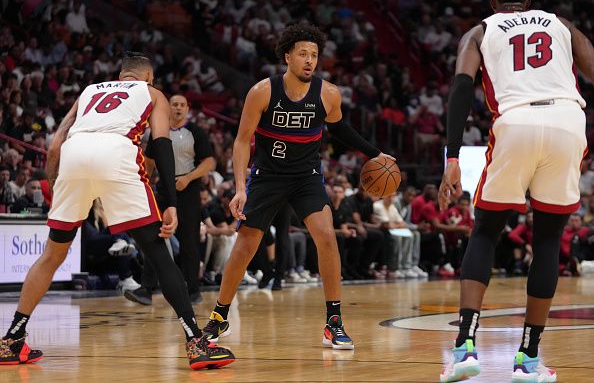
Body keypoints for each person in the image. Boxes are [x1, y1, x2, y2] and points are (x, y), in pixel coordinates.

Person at [0, 52, 234, 370]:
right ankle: (196, 342)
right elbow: (162, 145)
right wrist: (171, 204)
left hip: (73, 154)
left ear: (120, 76)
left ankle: (12, 338)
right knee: (157, 251)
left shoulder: (89, 92)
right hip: (116, 152)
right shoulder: (152, 94)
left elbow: (55, 143)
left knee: (51, 255)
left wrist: (56, 187)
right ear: (147, 78)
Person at [202, 24, 394, 349]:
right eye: (303, 54)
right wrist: (239, 187)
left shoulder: (328, 94)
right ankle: (220, 316)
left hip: (306, 177)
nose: (309, 60)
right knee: (246, 244)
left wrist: (376, 154)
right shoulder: (262, 91)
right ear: (287, 56)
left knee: (326, 236)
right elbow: (241, 141)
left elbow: (342, 130)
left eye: (314, 55)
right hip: (267, 176)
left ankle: (334, 321)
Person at [438, 0, 594, 381]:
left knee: (486, 231)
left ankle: (464, 348)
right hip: (567, 120)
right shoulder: (561, 24)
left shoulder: (479, 32)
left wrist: (453, 157)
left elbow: (460, 88)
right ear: (527, 1)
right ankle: (528, 358)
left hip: (516, 120)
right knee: (546, 239)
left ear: (493, 3)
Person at [125, 94, 216, 305]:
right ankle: (146, 289)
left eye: (182, 105)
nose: (178, 108)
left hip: (188, 188)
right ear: (169, 108)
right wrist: (145, 182)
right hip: (164, 188)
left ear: (187, 109)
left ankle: (193, 290)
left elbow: (209, 162)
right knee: (154, 236)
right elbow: (148, 160)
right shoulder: (159, 130)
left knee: (189, 241)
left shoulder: (196, 132)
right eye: (174, 104)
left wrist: (189, 177)